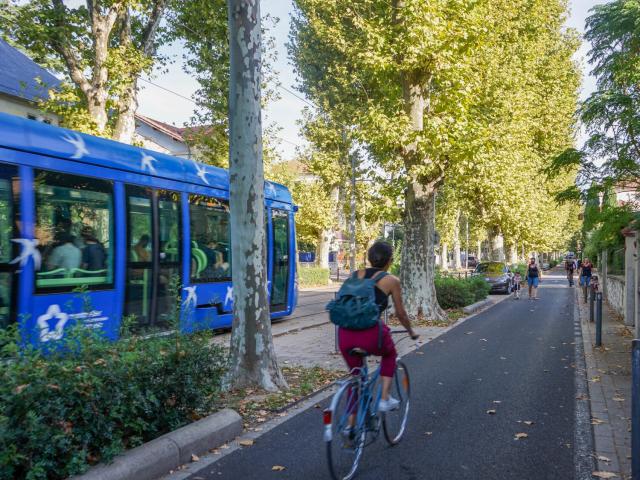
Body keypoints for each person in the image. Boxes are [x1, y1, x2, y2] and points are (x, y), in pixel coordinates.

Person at [338, 241, 418, 414]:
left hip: (344, 333)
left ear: (369, 258)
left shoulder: (354, 275)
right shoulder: (391, 280)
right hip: (371, 333)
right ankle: (384, 398)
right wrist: (411, 332)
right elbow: (401, 314)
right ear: (390, 260)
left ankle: (350, 428)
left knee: (356, 376)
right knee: (390, 354)